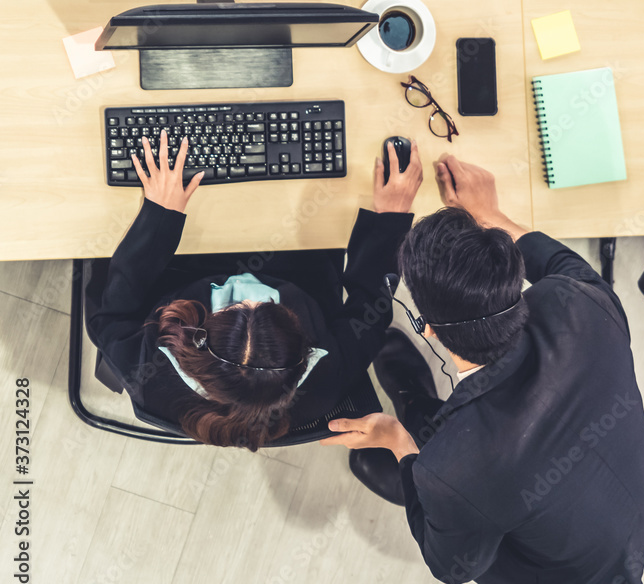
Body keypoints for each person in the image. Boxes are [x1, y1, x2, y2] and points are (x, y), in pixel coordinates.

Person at [321, 156, 644, 584]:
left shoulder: (453, 468)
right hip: (630, 492)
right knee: (458, 460)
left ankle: (411, 413)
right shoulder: (581, 302)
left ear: (427, 328)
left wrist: (397, 441)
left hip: (557, 572)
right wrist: (493, 217)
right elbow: (562, 263)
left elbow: (450, 566)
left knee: (432, 459)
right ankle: (413, 399)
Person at [85, 132, 423, 450]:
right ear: (305, 355)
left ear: (198, 343)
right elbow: (371, 310)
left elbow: (109, 316)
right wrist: (390, 221)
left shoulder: (148, 374)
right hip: (296, 263)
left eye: (236, 309)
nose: (250, 294)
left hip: (181, 266)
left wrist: (160, 217)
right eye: (263, 307)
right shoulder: (326, 380)